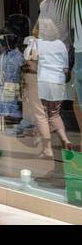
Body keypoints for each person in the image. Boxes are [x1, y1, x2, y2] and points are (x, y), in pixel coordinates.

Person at [25, 19, 73, 157]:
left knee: (42, 115)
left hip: (42, 81)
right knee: (55, 114)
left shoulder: (36, 43)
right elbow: (65, 68)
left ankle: (47, 149)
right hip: (58, 82)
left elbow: (28, 60)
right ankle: (65, 139)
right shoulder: (61, 45)